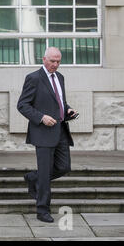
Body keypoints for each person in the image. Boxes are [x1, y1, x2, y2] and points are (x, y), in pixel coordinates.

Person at [17, 47, 77, 223]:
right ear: (44, 59)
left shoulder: (60, 77)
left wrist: (68, 109)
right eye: (52, 61)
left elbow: (60, 102)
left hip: (60, 131)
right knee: (45, 173)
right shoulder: (33, 78)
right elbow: (22, 105)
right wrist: (41, 117)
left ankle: (32, 177)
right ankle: (42, 210)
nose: (55, 65)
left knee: (64, 167)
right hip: (42, 132)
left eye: (58, 61)